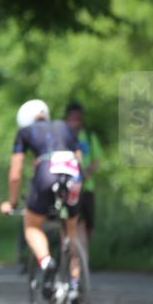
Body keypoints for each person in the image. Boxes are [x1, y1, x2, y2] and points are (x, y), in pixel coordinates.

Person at [0, 100, 84, 302]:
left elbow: (15, 173)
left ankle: (47, 263)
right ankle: (74, 285)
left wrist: (11, 202)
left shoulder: (26, 132)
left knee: (32, 226)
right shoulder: (66, 127)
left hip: (47, 174)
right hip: (73, 177)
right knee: (71, 233)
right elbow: (79, 159)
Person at [65, 102, 103, 246]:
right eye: (73, 118)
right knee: (69, 221)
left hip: (86, 187)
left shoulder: (89, 136)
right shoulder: (64, 135)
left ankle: (83, 254)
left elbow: (97, 160)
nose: (76, 121)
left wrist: (86, 174)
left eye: (79, 118)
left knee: (88, 224)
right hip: (70, 186)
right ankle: (70, 254)